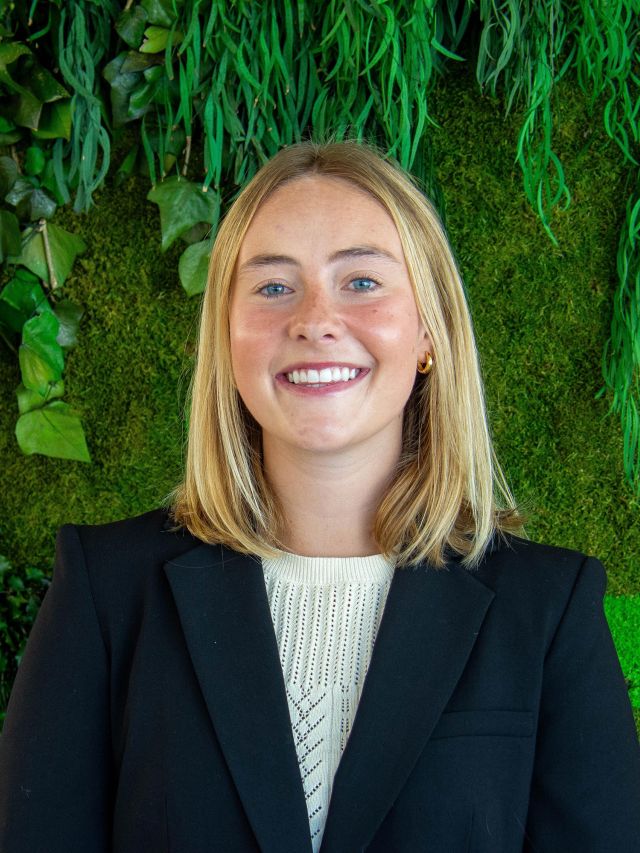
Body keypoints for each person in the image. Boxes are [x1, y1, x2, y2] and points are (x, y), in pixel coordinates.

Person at [0, 140, 639, 853]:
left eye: (362, 281)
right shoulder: (106, 591)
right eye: (274, 286)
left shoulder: (547, 609)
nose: (314, 318)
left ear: (428, 331)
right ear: (228, 337)